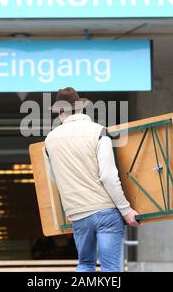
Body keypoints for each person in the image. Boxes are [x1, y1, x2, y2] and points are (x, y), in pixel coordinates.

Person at [45, 87, 140, 272]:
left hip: (78, 214)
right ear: (81, 108)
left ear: (61, 112)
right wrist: (126, 210)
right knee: (110, 268)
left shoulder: (50, 140)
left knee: (85, 264)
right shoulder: (98, 132)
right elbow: (108, 176)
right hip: (106, 212)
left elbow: (53, 179)